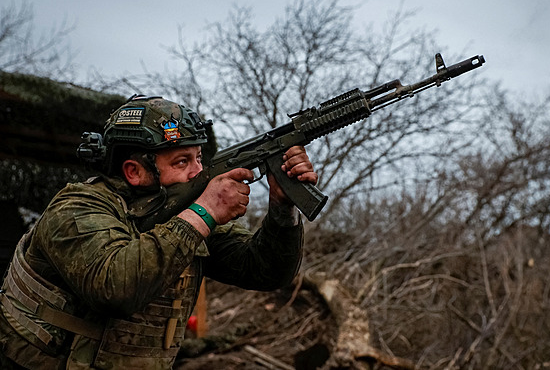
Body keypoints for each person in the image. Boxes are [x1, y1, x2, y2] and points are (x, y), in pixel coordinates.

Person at [0, 95, 317, 369]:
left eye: (198, 158)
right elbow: (116, 287)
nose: (197, 172)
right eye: (181, 162)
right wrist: (203, 213)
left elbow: (264, 271)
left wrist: (281, 207)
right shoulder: (76, 208)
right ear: (134, 172)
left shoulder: (183, 209)